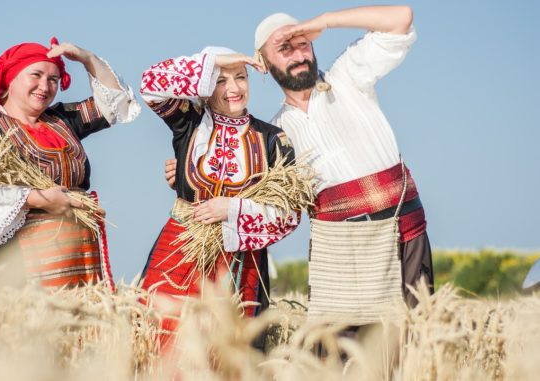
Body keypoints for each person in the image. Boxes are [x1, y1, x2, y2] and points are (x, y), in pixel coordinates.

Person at [254, 5, 433, 310]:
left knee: (415, 343)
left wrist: (325, 21)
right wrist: (187, 170)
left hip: (400, 232)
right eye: (284, 48)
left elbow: (401, 18)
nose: (298, 56)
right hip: (338, 250)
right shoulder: (275, 133)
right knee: (344, 354)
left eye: (303, 44)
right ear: (262, 62)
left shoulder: (348, 75)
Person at [139, 47, 301, 338]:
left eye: (241, 77)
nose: (234, 88)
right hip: (180, 249)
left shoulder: (273, 138)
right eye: (220, 80)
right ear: (203, 88)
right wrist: (213, 61)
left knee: (228, 352)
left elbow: (289, 213)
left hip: (240, 261)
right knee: (163, 339)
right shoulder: (188, 122)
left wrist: (233, 209)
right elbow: (150, 84)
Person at [0, 38, 140, 289]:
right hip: (18, 265)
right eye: (36, 75)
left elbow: (115, 103)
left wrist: (87, 58)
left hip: (78, 256)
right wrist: (39, 199)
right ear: (10, 78)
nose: (45, 86)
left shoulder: (60, 119)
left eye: (53, 79)